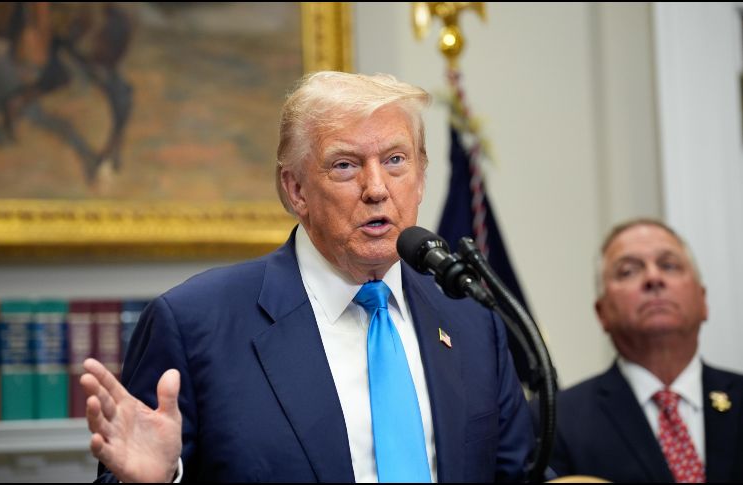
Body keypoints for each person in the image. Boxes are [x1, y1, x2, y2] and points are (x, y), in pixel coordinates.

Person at [80, 71, 534, 483]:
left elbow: (520, 473)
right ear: (296, 189)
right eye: (345, 165)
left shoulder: (472, 317)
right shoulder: (195, 324)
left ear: (420, 178)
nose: (376, 188)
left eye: (395, 160)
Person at [547, 218, 743, 482]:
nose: (653, 278)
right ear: (602, 312)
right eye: (628, 271)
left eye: (669, 265)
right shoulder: (556, 422)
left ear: (703, 300)